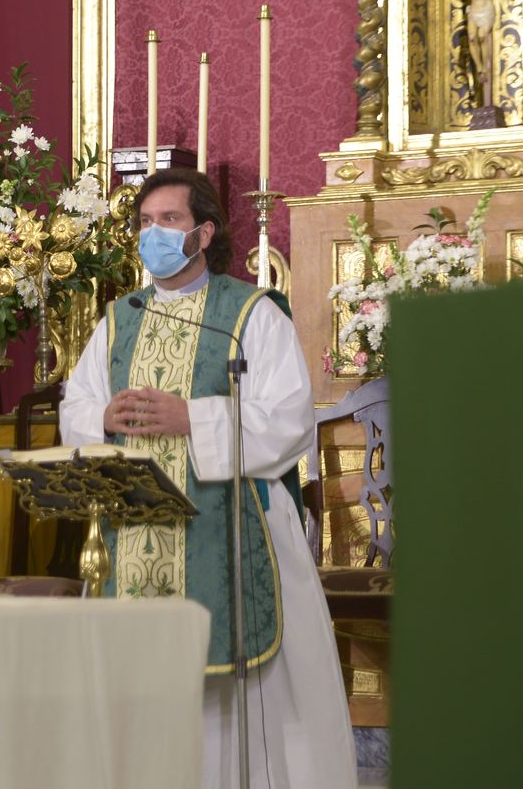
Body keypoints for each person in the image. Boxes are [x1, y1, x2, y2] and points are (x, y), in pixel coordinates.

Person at [60, 168, 357, 789]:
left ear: (203, 233)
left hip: (230, 522)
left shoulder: (248, 313)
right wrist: (102, 416)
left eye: (167, 220)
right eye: (144, 223)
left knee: (236, 704)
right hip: (134, 531)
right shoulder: (120, 317)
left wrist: (191, 418)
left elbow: (289, 420)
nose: (152, 234)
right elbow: (76, 405)